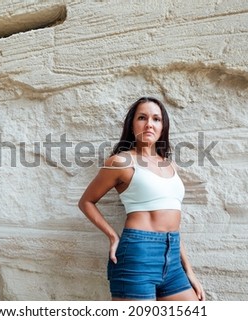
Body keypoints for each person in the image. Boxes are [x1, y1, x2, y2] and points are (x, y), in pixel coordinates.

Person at [78, 96, 205, 301]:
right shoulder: (121, 161)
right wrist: (113, 236)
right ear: (132, 124)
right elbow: (86, 202)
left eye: (156, 119)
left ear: (163, 126)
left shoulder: (169, 164)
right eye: (142, 117)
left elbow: (173, 223)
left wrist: (188, 270)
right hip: (138, 254)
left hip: (172, 258)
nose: (149, 124)